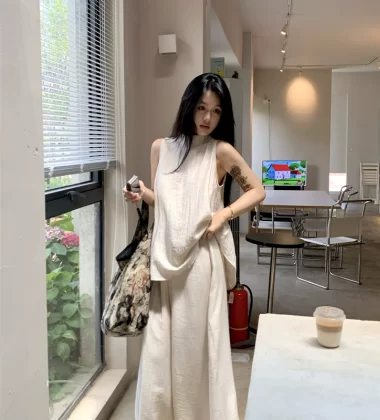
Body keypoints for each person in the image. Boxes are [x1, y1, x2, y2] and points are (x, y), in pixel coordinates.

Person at [123, 73, 265, 420]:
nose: (207, 118)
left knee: (194, 350)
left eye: (216, 111)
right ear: (188, 106)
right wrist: (142, 193)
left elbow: (257, 190)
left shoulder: (220, 151)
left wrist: (223, 215)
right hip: (164, 259)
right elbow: (166, 202)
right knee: (159, 349)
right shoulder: (161, 148)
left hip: (201, 261)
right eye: (202, 108)